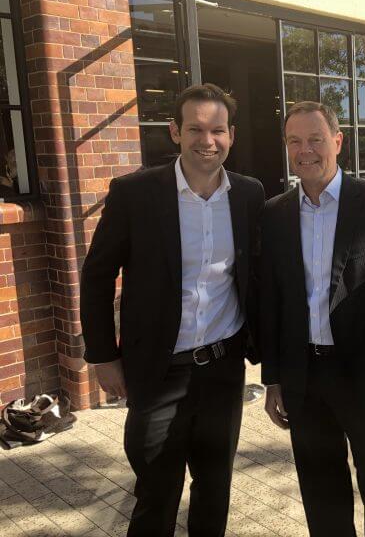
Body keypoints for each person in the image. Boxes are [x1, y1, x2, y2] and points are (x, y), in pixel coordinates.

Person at [80, 83, 264, 537]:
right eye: (196, 129)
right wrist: (103, 355)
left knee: (214, 487)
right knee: (157, 492)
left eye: (217, 130)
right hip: (159, 371)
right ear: (174, 132)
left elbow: (260, 276)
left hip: (223, 371)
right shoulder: (135, 193)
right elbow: (97, 274)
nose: (208, 140)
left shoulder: (249, 195)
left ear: (231, 135)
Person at [260, 101, 365, 536]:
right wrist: (274, 379)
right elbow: (271, 300)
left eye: (315, 139)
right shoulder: (274, 214)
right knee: (321, 492)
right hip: (303, 378)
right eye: (294, 141)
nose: (304, 150)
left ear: (338, 142)